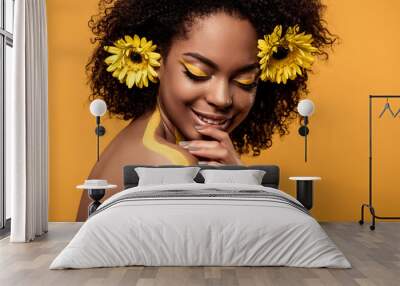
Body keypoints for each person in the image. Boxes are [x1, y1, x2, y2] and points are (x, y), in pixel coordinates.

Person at [76, 0, 336, 221]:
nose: (222, 99)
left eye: (245, 81)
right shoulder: (174, 164)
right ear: (153, 60)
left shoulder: (142, 132)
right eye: (197, 74)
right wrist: (243, 183)